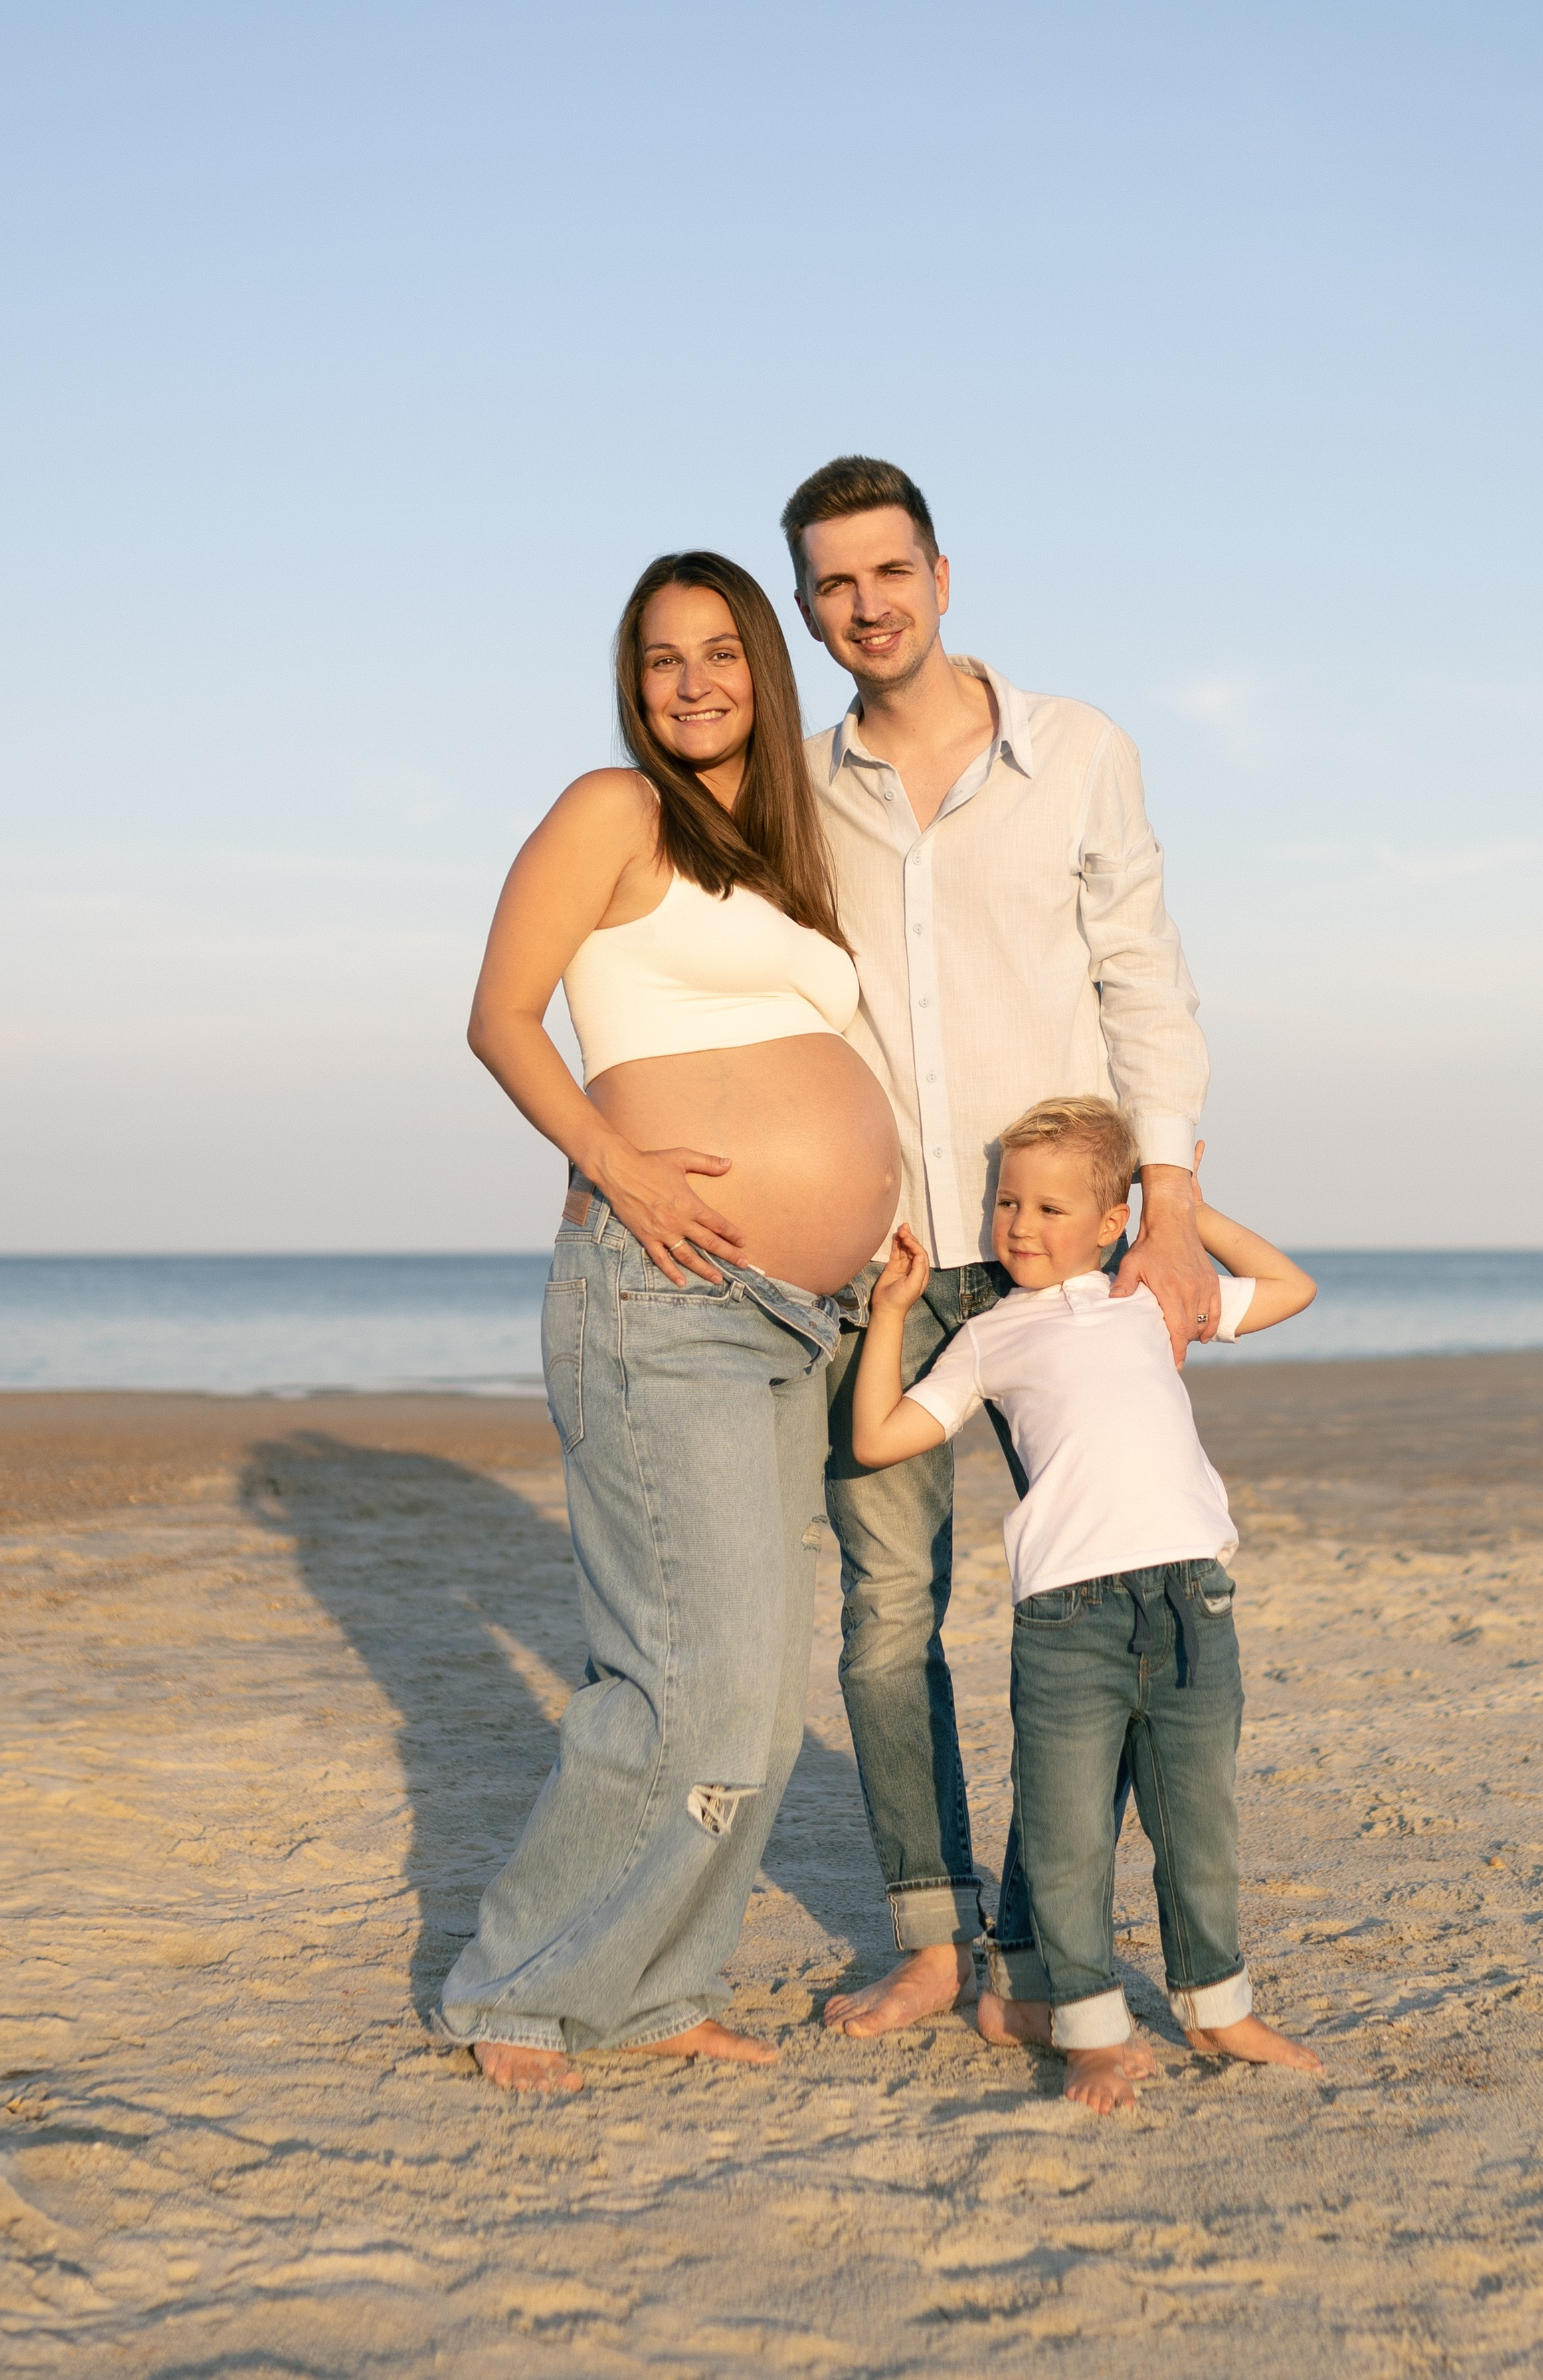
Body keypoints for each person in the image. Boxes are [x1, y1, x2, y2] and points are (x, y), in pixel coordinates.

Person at [436, 551, 899, 2092]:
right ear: (631, 686)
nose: (691, 682)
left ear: (764, 671)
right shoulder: (611, 810)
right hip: (661, 1293)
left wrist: (871, 1215)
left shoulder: (777, 855)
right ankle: (518, 1984)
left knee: (759, 1690)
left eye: (719, 653)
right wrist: (617, 1160)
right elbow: (500, 1014)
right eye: (658, 659)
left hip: (793, 1314)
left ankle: (652, 1987)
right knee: (681, 1677)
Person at [781, 454, 1220, 2035]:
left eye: (886, 571)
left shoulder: (1079, 750)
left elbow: (1140, 977)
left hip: (1061, 1257)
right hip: (885, 1263)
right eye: (832, 583)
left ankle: (1045, 1947)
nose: (864, 605)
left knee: (1096, 1589)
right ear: (808, 605)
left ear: (941, 575)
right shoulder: (795, 781)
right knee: (887, 1611)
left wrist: (1162, 1203)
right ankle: (927, 1931)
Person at [851, 1097, 1324, 2112]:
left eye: (1052, 1207)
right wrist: (892, 1313)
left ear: (1113, 1222)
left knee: (1199, 1825)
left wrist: (1177, 1206)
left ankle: (1217, 2004)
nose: (1020, 1225)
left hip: (1194, 1602)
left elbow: (1292, 1286)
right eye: (1007, 1202)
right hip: (1068, 1623)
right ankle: (1089, 2028)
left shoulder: (1151, 1292)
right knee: (1067, 1841)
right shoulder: (987, 1339)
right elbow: (883, 1438)